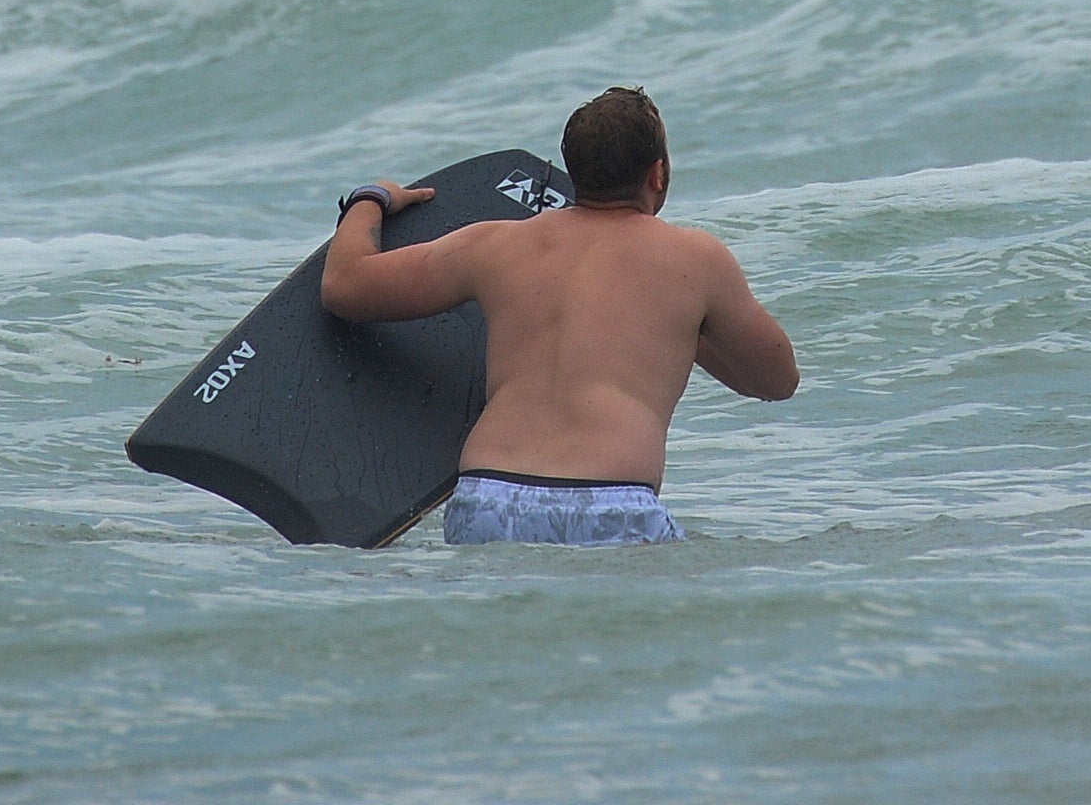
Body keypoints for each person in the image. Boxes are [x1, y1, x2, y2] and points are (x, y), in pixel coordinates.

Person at [321, 85, 797, 546]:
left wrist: (372, 198)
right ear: (657, 174)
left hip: (487, 499)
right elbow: (776, 381)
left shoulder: (497, 245)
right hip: (614, 507)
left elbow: (344, 287)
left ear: (575, 171)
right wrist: (687, 326)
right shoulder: (696, 259)